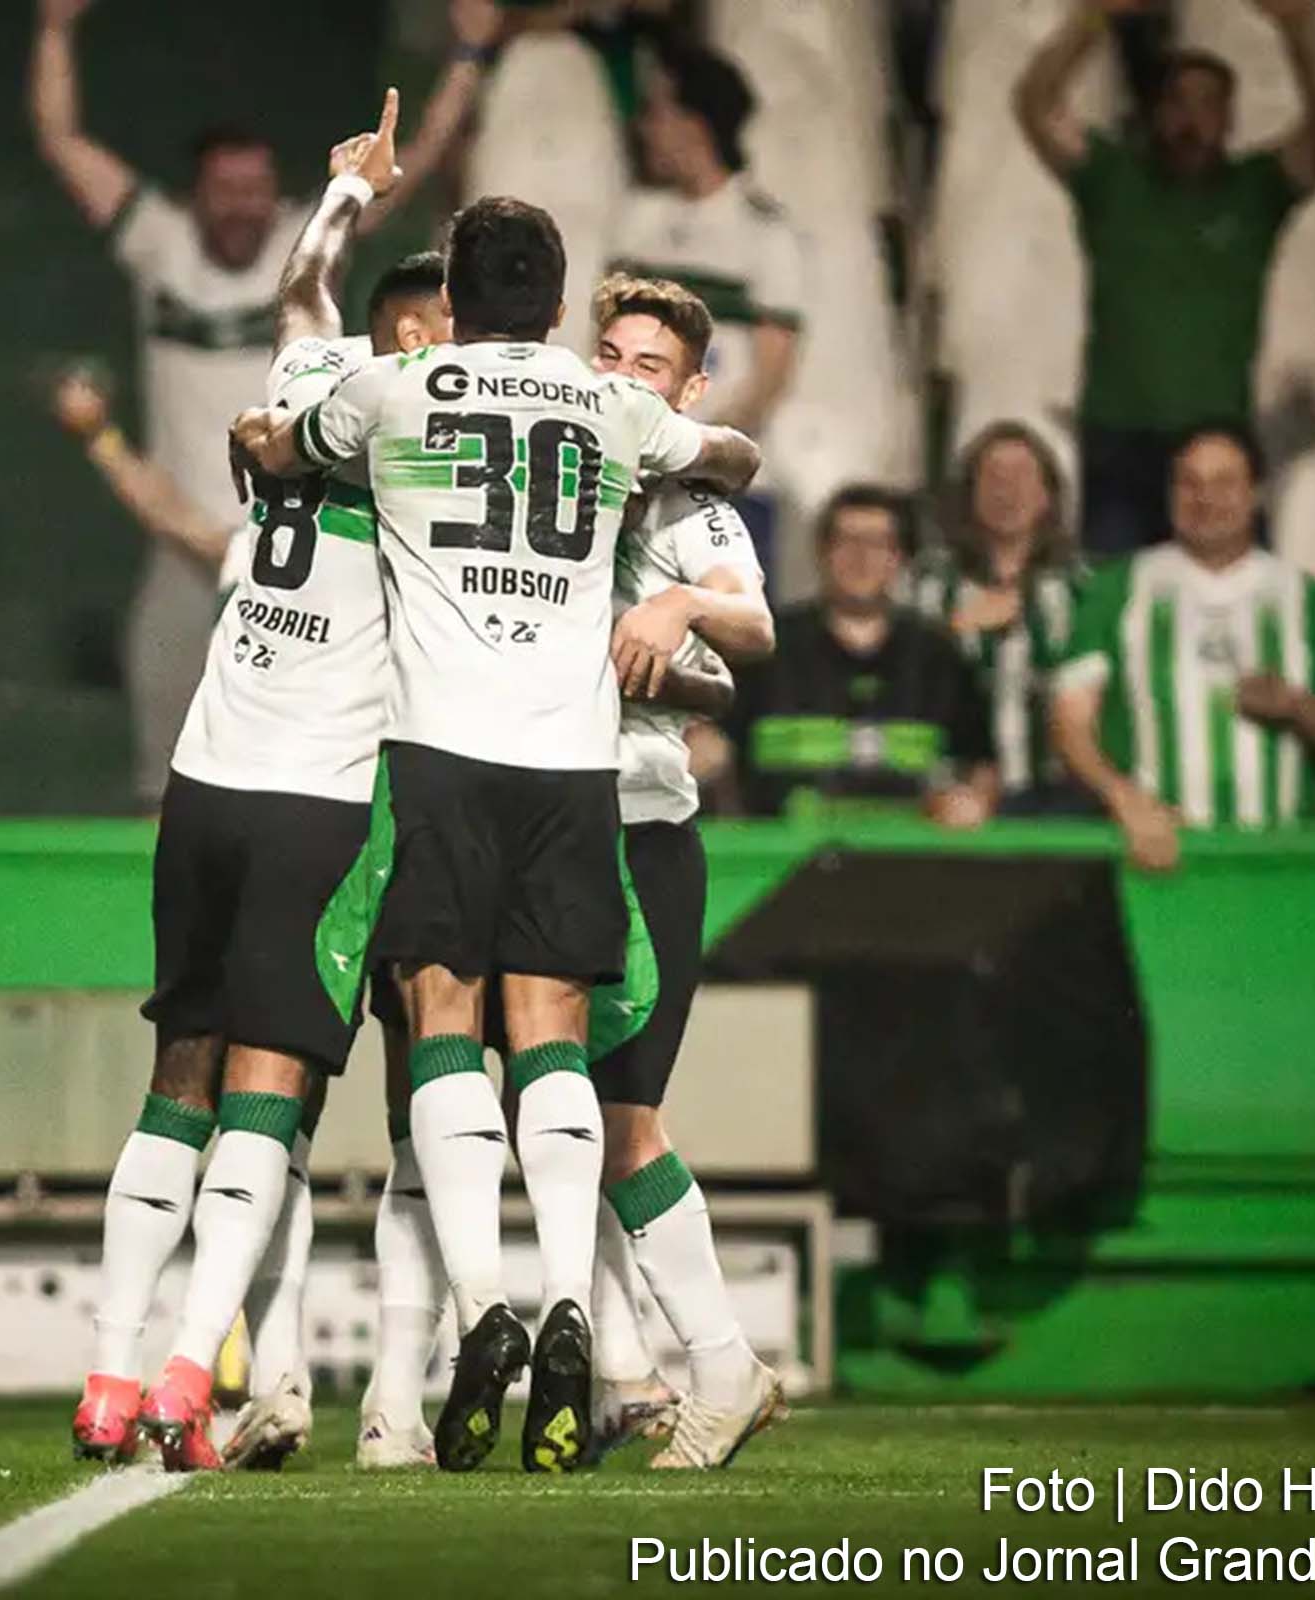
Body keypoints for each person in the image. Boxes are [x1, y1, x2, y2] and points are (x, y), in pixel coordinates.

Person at [234, 196, 762, 1474]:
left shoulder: (396, 387)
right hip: (574, 768)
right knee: (553, 1036)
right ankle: (576, 1303)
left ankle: (487, 1305)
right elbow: (736, 455)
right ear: (559, 303)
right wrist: (695, 450)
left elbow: (288, 444)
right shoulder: (615, 409)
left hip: (441, 756)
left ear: (456, 302)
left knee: (441, 1018)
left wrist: (266, 433)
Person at [62, 105, 457, 1474]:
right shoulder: (428, 455)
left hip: (205, 784)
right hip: (314, 803)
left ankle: (107, 1375)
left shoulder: (305, 385)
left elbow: (298, 294)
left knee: (177, 1074)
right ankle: (188, 1377)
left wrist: (345, 193)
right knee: (266, 1097)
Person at [30, 0, 494, 807]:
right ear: (197, 195)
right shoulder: (158, 240)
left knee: (320, 766)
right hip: (177, 545)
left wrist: (467, 54)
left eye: (256, 189)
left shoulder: (302, 245)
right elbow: (61, 139)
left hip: (299, 544)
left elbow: (415, 161)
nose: (243, 203)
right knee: (164, 779)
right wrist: (54, 30)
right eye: (226, 189)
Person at [581, 274, 787, 1471]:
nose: (619, 379)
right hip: (544, 822)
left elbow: (755, 623)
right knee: (560, 1114)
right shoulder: (553, 474)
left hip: (640, 829)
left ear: (690, 392)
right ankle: (620, 1369)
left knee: (620, 1122)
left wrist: (674, 602)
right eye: (606, 354)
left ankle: (720, 1365)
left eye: (647, 365)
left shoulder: (684, 501)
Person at [1014, 0, 1315, 557]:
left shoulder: (1257, 190)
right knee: (1115, 600)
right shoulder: (1111, 178)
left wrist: (1299, 32)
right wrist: (1090, 20)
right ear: (1153, 112)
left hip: (1220, 447)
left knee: (1231, 599)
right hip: (1118, 441)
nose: (1192, 120)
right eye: (1178, 102)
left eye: (1210, 104)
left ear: (1230, 119)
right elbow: (1035, 106)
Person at [1049, 426, 1315, 871]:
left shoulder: (1309, 600)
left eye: (1224, 483)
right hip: (1153, 864)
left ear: (1256, 494)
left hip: (1280, 866)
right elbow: (1069, 725)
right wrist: (1124, 799)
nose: (1205, 498)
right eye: (1189, 482)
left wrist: (1299, 708)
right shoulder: (1116, 588)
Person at [606, 41, 807, 574]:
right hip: (633, 484)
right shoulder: (638, 220)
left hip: (730, 490)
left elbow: (770, 378)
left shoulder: (764, 233)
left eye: (657, 113)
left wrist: (691, 457)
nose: (645, 129)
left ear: (694, 124)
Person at [725, 488, 999, 825]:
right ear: (822, 552)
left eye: (878, 544)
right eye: (848, 541)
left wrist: (972, 802)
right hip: (780, 853)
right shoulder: (762, 647)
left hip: (911, 852)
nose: (861, 557)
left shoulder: (939, 657)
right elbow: (714, 750)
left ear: (899, 558)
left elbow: (981, 768)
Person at [909, 423, 1090, 809]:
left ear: (1047, 494)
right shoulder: (927, 584)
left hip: (1058, 796)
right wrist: (952, 631)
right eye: (992, 477)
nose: (1006, 490)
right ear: (969, 493)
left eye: (1022, 475)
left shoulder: (1082, 588)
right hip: (950, 796)